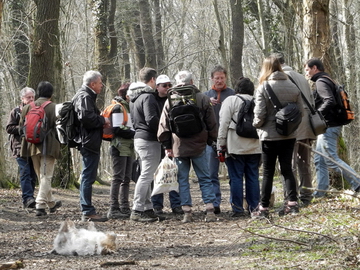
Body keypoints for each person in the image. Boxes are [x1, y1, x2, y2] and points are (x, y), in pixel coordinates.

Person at [158, 70, 218, 223]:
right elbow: (211, 122)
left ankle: (187, 211)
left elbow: (163, 126)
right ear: (192, 82)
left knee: (182, 180)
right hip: (199, 145)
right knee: (204, 177)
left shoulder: (170, 100)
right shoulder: (202, 98)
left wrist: (167, 145)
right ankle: (210, 209)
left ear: (177, 83)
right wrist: (211, 140)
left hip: (179, 146)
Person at [252, 56, 304, 218]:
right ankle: (293, 205)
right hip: (289, 135)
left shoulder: (263, 87)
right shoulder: (293, 86)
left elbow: (259, 114)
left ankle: (264, 209)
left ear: (265, 68)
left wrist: (256, 125)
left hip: (269, 137)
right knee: (287, 169)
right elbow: (300, 112)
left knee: (268, 172)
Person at [305, 58, 360, 197]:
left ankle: (357, 183)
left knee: (331, 159)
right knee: (319, 160)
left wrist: (317, 116)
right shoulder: (328, 79)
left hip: (329, 126)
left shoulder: (321, 81)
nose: (306, 73)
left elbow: (329, 100)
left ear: (315, 68)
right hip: (329, 126)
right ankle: (320, 192)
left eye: (307, 69)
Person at [272, 52, 317, 206]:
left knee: (288, 163)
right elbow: (311, 100)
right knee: (304, 162)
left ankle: (290, 197)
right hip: (306, 125)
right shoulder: (301, 77)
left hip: (290, 125)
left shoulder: (280, 78)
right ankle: (306, 195)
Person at [217, 77, 261, 218]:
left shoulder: (230, 101)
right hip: (255, 146)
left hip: (235, 146)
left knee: (236, 178)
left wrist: (220, 145)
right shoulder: (257, 101)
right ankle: (254, 207)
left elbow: (223, 124)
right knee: (253, 176)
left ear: (237, 89)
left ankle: (237, 209)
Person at [19, 81, 62, 217]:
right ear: (51, 94)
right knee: (46, 176)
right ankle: (40, 204)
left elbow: (21, 127)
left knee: (42, 176)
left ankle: (51, 203)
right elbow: (59, 128)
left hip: (30, 146)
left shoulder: (27, 107)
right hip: (48, 146)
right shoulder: (54, 107)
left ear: (37, 93)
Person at [73, 70, 111, 222]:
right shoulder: (84, 96)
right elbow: (86, 117)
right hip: (88, 141)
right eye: (100, 82)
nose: (102, 85)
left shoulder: (86, 96)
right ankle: (87, 211)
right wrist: (103, 120)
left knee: (88, 176)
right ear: (92, 83)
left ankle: (87, 209)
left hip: (89, 140)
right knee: (87, 177)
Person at [128, 67, 164, 222]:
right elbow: (151, 119)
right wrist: (163, 131)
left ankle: (148, 208)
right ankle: (137, 209)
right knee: (146, 175)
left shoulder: (135, 96)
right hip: (148, 139)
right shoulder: (148, 97)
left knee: (147, 174)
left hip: (139, 138)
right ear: (153, 80)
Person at [204, 65, 235, 214]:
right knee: (211, 174)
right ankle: (215, 203)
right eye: (217, 78)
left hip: (230, 140)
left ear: (226, 78)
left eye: (222, 78)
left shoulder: (233, 94)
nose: (219, 80)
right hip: (211, 141)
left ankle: (235, 203)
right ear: (212, 78)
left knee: (234, 173)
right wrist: (207, 103)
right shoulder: (205, 96)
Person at [151, 74, 183, 215]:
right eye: (164, 85)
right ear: (157, 87)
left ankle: (176, 204)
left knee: (173, 174)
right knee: (158, 174)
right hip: (156, 141)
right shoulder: (151, 100)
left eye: (169, 85)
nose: (167, 88)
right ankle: (157, 205)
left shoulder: (175, 99)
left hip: (174, 141)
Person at [107, 83, 135, 219]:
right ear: (126, 95)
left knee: (127, 178)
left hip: (128, 146)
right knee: (118, 177)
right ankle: (113, 207)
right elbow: (117, 129)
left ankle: (125, 206)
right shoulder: (118, 108)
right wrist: (134, 133)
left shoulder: (128, 107)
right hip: (118, 147)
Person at [6, 87, 37, 209]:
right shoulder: (16, 111)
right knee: (25, 173)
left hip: (34, 148)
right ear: (22, 98)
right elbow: (9, 128)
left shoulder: (36, 111)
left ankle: (31, 198)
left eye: (32, 97)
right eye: (28, 97)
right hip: (19, 147)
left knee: (33, 175)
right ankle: (27, 198)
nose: (31, 99)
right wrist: (21, 130)